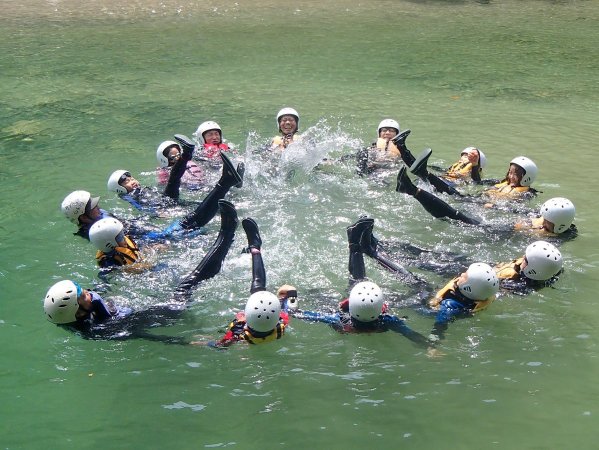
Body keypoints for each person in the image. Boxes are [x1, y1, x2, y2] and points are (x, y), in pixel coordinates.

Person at [43, 201, 239, 340]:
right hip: (169, 311)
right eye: (80, 295)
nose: (84, 291)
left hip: (140, 303)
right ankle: (227, 235)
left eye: (78, 287)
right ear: (77, 313)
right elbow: (145, 335)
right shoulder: (107, 328)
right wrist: (187, 342)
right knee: (189, 282)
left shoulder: (88, 309)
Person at [287, 217, 432, 348]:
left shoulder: (340, 320)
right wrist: (429, 347)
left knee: (357, 281)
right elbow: (411, 334)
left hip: (347, 304)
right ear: (380, 308)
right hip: (353, 303)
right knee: (357, 281)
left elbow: (305, 315)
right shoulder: (387, 321)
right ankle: (356, 243)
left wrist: (287, 303)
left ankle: (355, 243)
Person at [62, 147, 243, 241]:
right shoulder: (93, 231)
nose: (98, 206)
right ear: (83, 217)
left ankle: (226, 183)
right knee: (193, 220)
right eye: (92, 207)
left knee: (192, 216)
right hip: (156, 237)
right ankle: (225, 181)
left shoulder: (96, 219)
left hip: (151, 229)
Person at [396, 166, 577, 238]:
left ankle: (413, 190)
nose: (543, 222)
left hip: (499, 234)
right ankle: (413, 189)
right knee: (457, 212)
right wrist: (496, 206)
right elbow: (519, 213)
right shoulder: (552, 220)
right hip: (501, 225)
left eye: (547, 223)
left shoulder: (556, 239)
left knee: (459, 217)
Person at [199, 217, 292, 347]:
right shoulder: (282, 323)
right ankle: (255, 248)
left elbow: (220, 345)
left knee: (260, 290)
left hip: (246, 332)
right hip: (255, 329)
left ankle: (255, 249)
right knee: (259, 291)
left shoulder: (237, 332)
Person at [392, 129, 537, 199]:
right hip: (468, 196)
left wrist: (474, 166)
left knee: (425, 174)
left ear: (526, 177)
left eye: (515, 174)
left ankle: (404, 150)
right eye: (510, 172)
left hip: (468, 197)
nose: (511, 175)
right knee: (420, 169)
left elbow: (477, 181)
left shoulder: (527, 193)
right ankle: (402, 147)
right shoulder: (501, 183)